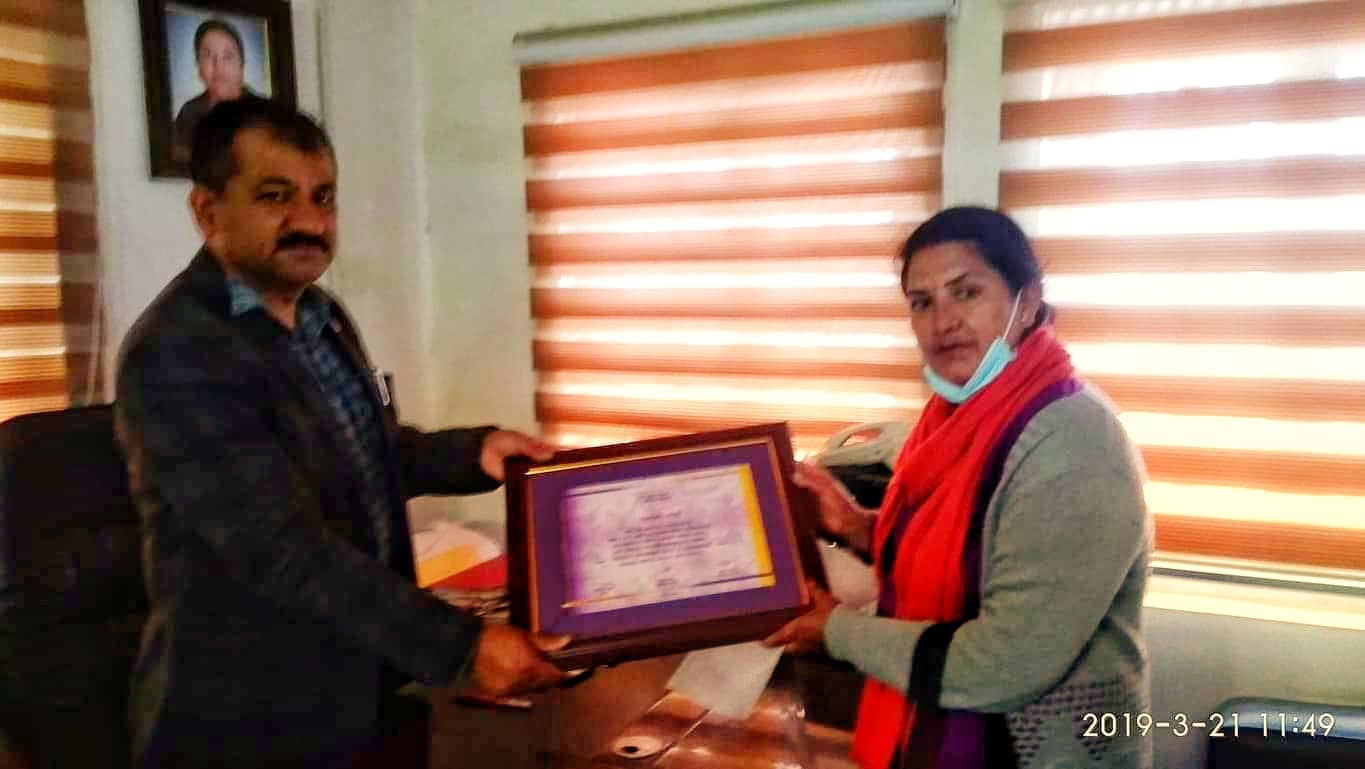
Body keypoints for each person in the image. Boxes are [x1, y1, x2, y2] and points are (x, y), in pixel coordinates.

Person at [115, 97, 569, 768]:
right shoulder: (178, 351)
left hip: (360, 685)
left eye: (322, 197)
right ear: (208, 212)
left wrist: (474, 451)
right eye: (275, 196)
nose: (309, 221)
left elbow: (367, 453)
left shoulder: (321, 316)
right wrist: (460, 645)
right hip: (248, 719)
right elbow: (280, 548)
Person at [764, 207, 1152, 769]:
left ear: (1027, 301)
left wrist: (837, 631)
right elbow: (969, 558)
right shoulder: (953, 417)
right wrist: (854, 526)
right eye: (921, 303)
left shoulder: (1074, 438)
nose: (942, 321)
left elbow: (1005, 661)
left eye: (966, 292)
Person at [171, 19, 258, 166]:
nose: (218, 65)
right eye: (207, 56)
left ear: (241, 65)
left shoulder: (263, 114)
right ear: (198, 66)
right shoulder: (189, 112)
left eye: (228, 56)